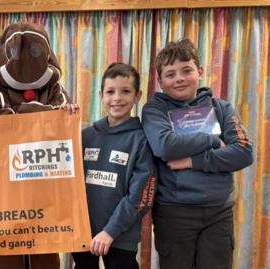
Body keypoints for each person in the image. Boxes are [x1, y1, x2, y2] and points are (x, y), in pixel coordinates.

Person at [141, 39, 253, 269]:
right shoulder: (155, 109)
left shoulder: (221, 108)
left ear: (200, 72)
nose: (179, 78)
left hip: (218, 213)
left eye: (186, 70)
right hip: (173, 212)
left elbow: (243, 152)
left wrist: (194, 160)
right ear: (160, 81)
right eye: (170, 74)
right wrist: (213, 139)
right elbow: (165, 146)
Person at [0, 22, 78, 269]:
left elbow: (63, 119)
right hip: (7, 186)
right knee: (7, 250)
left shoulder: (54, 88)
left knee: (45, 247)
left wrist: (33, 115)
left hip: (45, 184)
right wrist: (44, 114)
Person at [71, 63, 156, 269]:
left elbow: (141, 196)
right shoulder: (84, 136)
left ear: (137, 96)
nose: (117, 98)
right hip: (83, 234)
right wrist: (64, 114)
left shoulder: (142, 140)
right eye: (110, 91)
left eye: (125, 91)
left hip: (121, 237)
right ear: (101, 95)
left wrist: (110, 231)